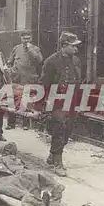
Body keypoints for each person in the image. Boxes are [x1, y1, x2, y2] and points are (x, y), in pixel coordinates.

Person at [39, 31, 82, 177]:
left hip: (72, 100)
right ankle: (58, 163)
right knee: (60, 128)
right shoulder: (51, 61)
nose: (76, 49)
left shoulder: (76, 61)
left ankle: (52, 156)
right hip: (56, 100)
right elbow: (44, 84)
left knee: (68, 129)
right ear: (64, 45)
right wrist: (45, 106)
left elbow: (78, 81)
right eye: (73, 46)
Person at [6, 30, 43, 130]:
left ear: (31, 38)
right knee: (13, 101)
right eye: (24, 38)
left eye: (28, 38)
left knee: (26, 102)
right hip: (17, 79)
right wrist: (11, 71)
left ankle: (25, 124)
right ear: (21, 39)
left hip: (29, 79)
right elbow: (10, 61)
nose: (26, 40)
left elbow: (39, 60)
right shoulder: (16, 48)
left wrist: (30, 49)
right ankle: (11, 123)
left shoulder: (35, 49)